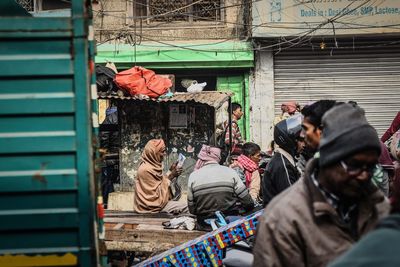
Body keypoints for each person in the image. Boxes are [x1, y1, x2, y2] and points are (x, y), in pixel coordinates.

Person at [253, 104, 390, 267]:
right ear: (329, 159)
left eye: (371, 167)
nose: (364, 175)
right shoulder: (283, 219)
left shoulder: (380, 207)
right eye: (354, 166)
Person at [187, 145, 254, 230]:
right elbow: (247, 201)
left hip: (204, 225)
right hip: (228, 224)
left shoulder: (193, 176)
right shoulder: (230, 172)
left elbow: (192, 209)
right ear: (218, 157)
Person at [133, 139, 188, 214]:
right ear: (153, 153)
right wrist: (171, 176)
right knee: (188, 207)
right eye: (162, 151)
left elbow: (160, 183)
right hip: (151, 207)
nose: (165, 154)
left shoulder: (152, 166)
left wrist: (170, 171)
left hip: (159, 203)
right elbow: (154, 198)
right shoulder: (145, 170)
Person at [262, 114, 304, 206]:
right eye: (301, 140)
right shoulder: (283, 165)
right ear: (291, 141)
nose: (304, 144)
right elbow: (292, 200)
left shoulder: (284, 160)